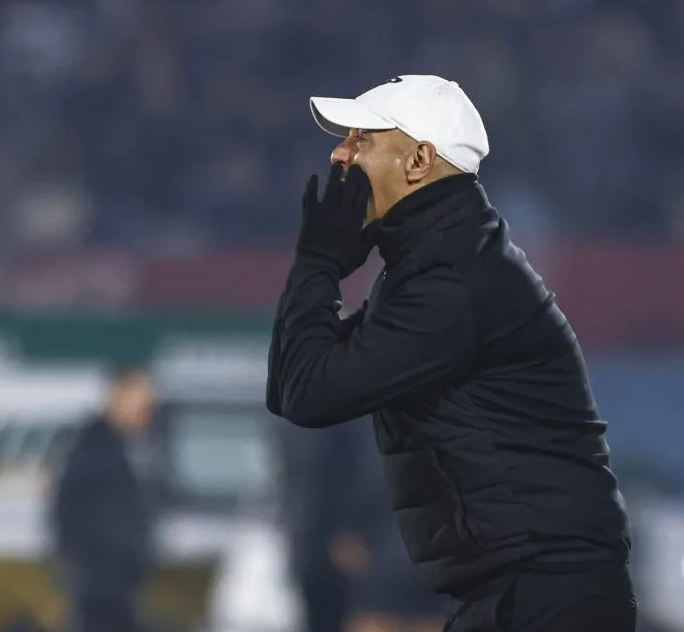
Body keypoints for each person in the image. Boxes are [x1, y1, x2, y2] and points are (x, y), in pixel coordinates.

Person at [265, 74, 635, 631]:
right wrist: (323, 264)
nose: (340, 153)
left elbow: (308, 393)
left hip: (543, 598)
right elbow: (295, 383)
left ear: (418, 161)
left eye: (362, 139)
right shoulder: (438, 264)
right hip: (526, 592)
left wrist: (319, 262)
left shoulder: (452, 281)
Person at [52, 368, 156, 632]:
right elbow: (69, 515)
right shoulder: (94, 449)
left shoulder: (120, 447)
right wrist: (88, 573)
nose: (147, 409)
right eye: (140, 400)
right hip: (99, 588)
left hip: (113, 587)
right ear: (115, 398)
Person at [277, 418, 383, 632]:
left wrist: (349, 528)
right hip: (307, 544)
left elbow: (366, 471)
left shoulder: (343, 409)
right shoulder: (290, 410)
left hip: (340, 547)